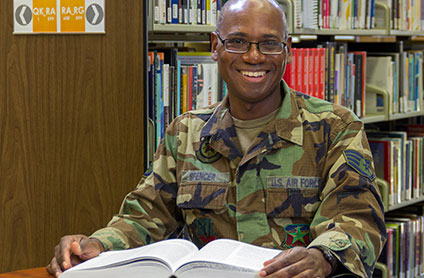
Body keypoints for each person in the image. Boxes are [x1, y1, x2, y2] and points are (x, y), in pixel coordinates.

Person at [47, 0, 386, 277]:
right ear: (215, 47)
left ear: (287, 51)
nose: (253, 57)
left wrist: (322, 257)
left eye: (269, 43)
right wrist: (96, 245)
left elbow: (358, 219)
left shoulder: (335, 127)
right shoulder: (186, 132)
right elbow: (145, 215)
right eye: (237, 41)